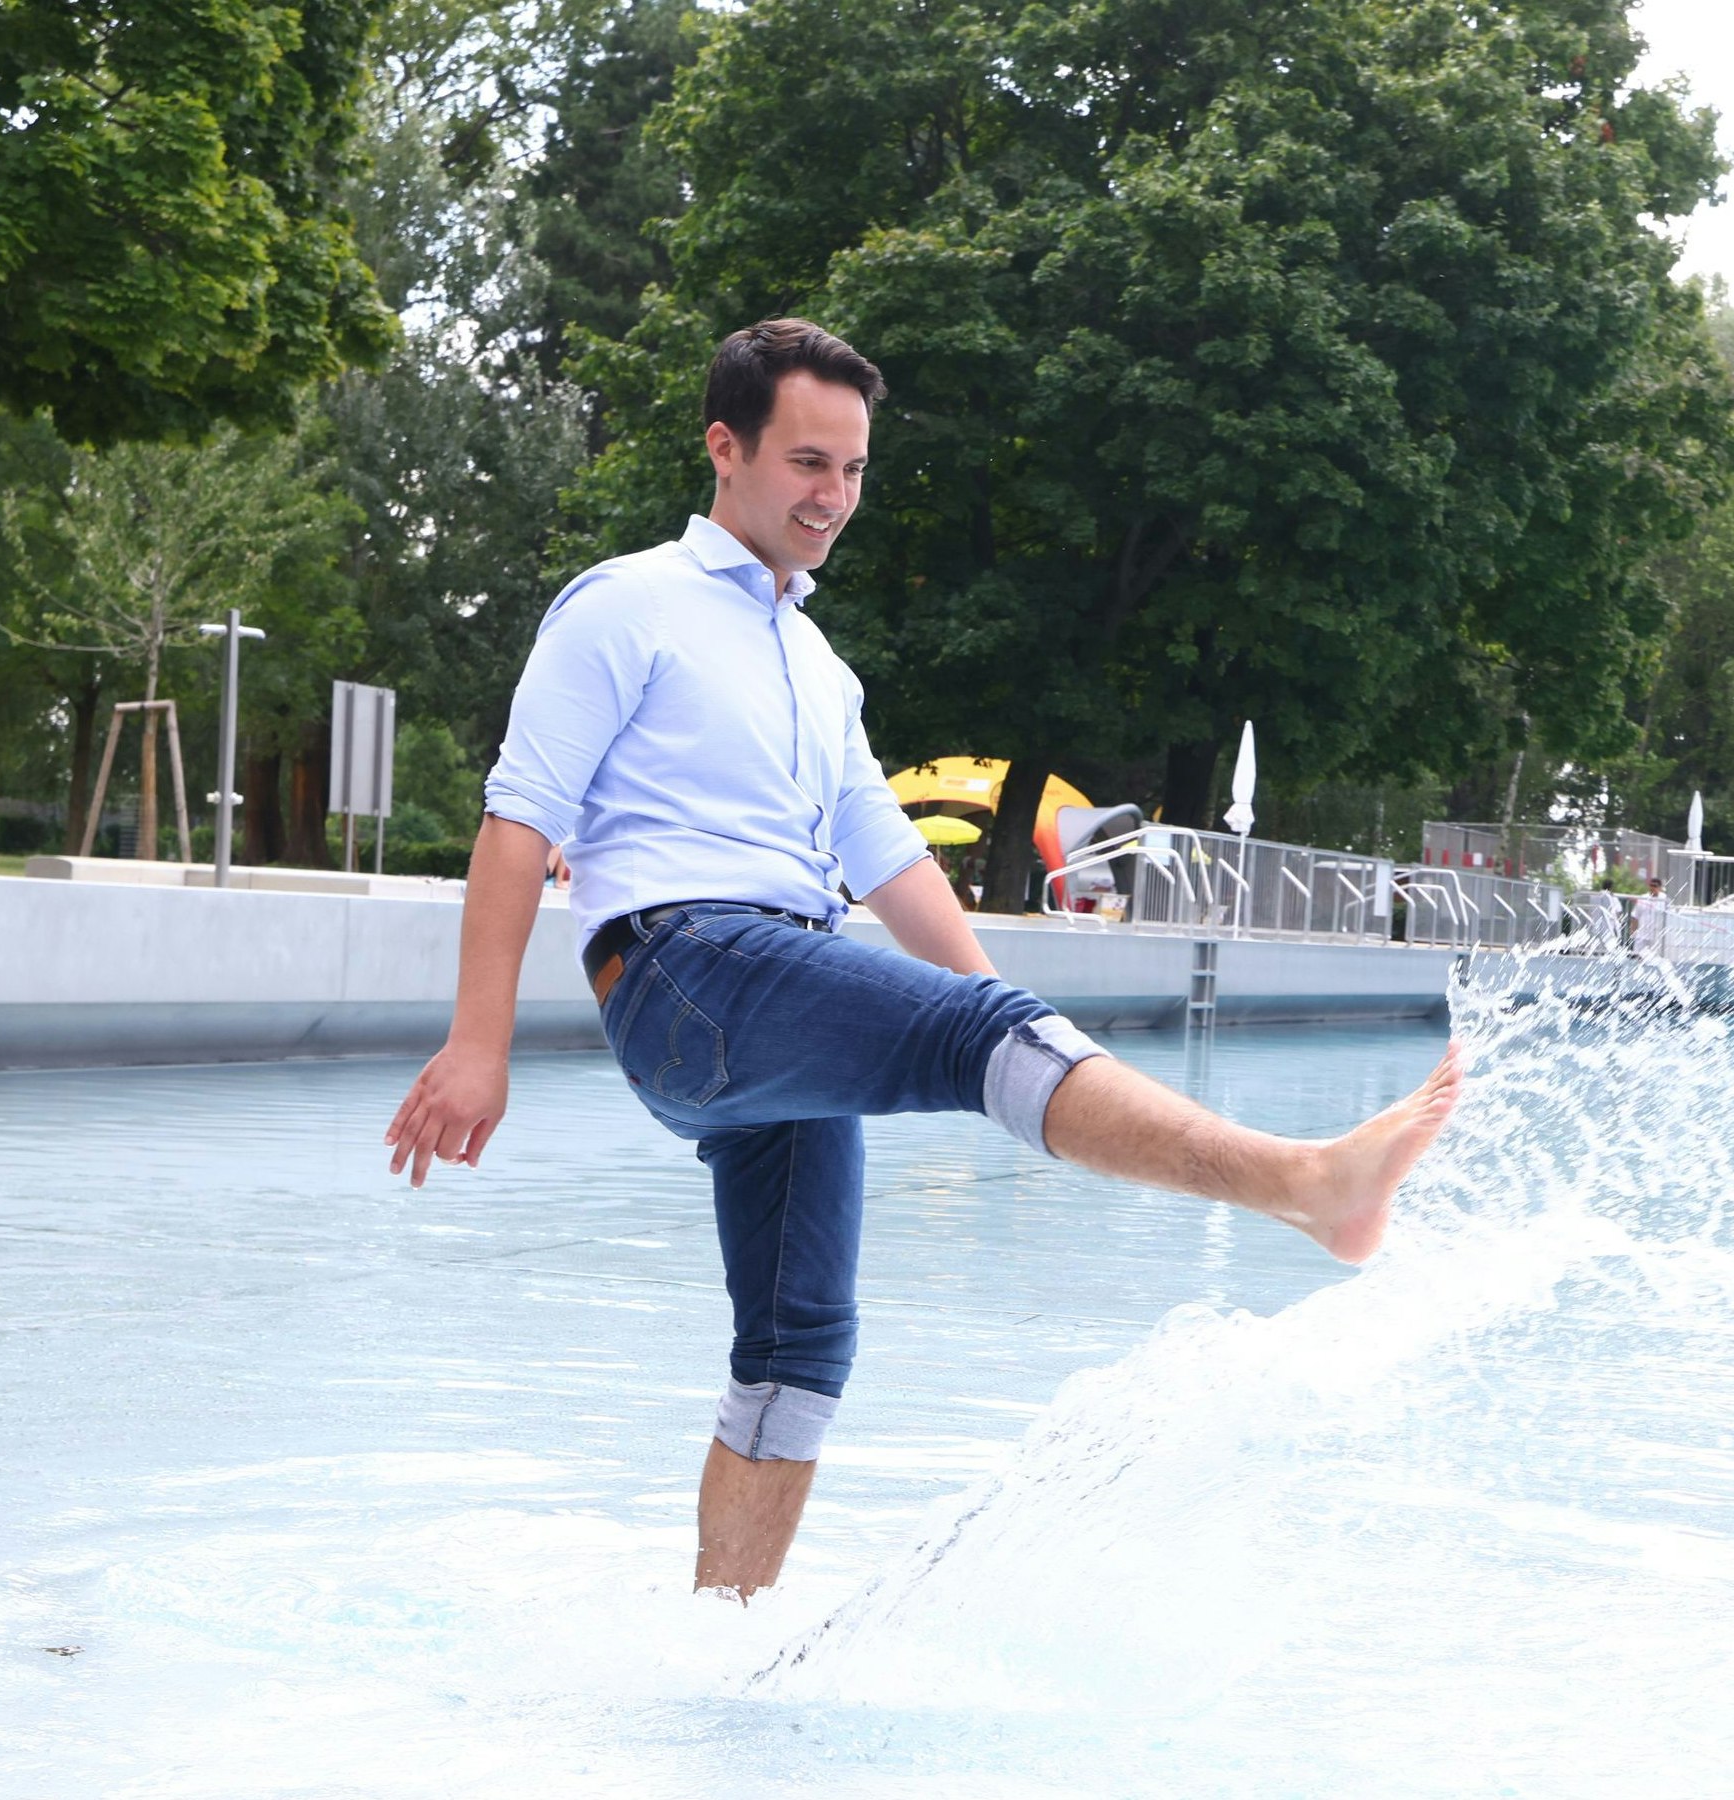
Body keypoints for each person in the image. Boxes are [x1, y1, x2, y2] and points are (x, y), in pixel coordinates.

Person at [381, 319, 1461, 1601]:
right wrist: (478, 1043)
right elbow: (519, 822)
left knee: (798, 1350)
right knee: (972, 1037)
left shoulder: (817, 666)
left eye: (850, 470)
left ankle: (720, 1647)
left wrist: (1019, 1029)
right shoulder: (623, 606)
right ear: (723, 449)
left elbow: (889, 865)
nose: (831, 496)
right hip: (685, 972)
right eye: (804, 462)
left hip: (775, 990)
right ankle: (1303, 1184)